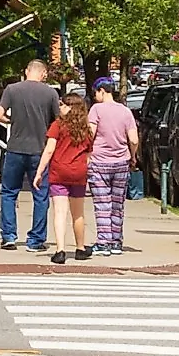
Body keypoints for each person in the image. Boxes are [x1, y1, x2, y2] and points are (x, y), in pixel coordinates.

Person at [0, 59, 60, 252]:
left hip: (15, 148)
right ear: (43, 73)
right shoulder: (50, 93)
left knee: (8, 192)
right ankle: (36, 240)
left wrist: (11, 121)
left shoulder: (12, 90)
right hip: (39, 150)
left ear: (26, 71)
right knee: (40, 195)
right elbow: (58, 122)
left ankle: (9, 236)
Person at [35, 86, 96, 264]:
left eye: (62, 105)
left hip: (59, 171)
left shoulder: (57, 126)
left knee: (60, 212)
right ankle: (80, 248)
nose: (59, 107)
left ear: (70, 107)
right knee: (78, 213)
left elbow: (49, 150)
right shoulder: (86, 129)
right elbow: (88, 154)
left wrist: (39, 172)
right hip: (78, 173)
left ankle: (60, 250)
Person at [87, 77, 140, 255]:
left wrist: (87, 153)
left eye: (96, 93)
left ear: (102, 91)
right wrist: (132, 157)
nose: (95, 97)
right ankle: (116, 242)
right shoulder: (125, 112)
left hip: (99, 162)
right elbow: (133, 139)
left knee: (102, 204)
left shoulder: (96, 110)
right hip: (121, 162)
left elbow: (90, 134)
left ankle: (103, 242)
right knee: (118, 204)